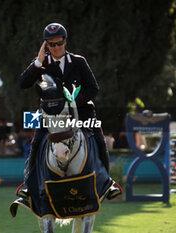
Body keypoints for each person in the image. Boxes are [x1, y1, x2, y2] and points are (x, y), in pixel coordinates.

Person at [18, 23, 111, 196]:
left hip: (81, 112)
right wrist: (37, 61)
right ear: (46, 45)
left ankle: (107, 183)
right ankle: (28, 185)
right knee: (37, 142)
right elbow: (23, 84)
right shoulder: (41, 64)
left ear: (65, 41)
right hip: (52, 116)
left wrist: (73, 102)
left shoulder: (78, 61)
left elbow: (93, 88)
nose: (56, 48)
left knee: (99, 139)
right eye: (51, 44)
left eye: (59, 43)